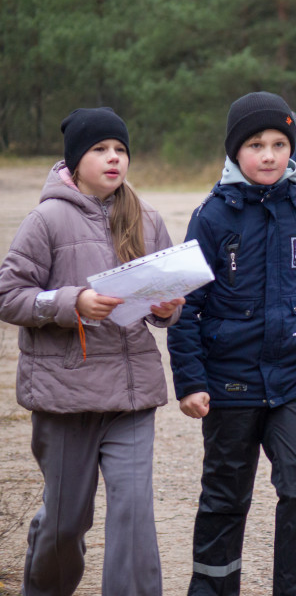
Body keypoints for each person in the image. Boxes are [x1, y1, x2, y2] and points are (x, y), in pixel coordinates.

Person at [167, 91, 296, 596]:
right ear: (235, 152)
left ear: (293, 148)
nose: (268, 155)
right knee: (224, 500)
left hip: (294, 381)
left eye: (280, 143)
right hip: (228, 384)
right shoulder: (212, 216)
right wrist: (191, 381)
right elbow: (186, 308)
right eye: (256, 144)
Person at [0, 107, 184, 596]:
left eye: (121, 150)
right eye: (100, 149)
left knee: (133, 516)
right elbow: (8, 296)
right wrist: (71, 302)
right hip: (65, 398)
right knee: (64, 524)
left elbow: (162, 311)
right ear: (74, 160)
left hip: (130, 397)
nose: (113, 159)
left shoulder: (146, 218)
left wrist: (166, 308)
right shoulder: (46, 219)